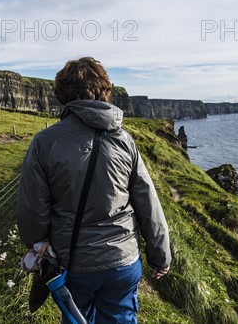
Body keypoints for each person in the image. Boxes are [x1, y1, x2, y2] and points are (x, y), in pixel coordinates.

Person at [17, 57, 171, 324]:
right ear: (104, 92)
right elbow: (148, 203)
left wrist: (37, 243)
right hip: (122, 261)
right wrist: (160, 256)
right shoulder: (124, 141)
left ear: (62, 95)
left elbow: (32, 209)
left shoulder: (45, 142)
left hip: (73, 263)